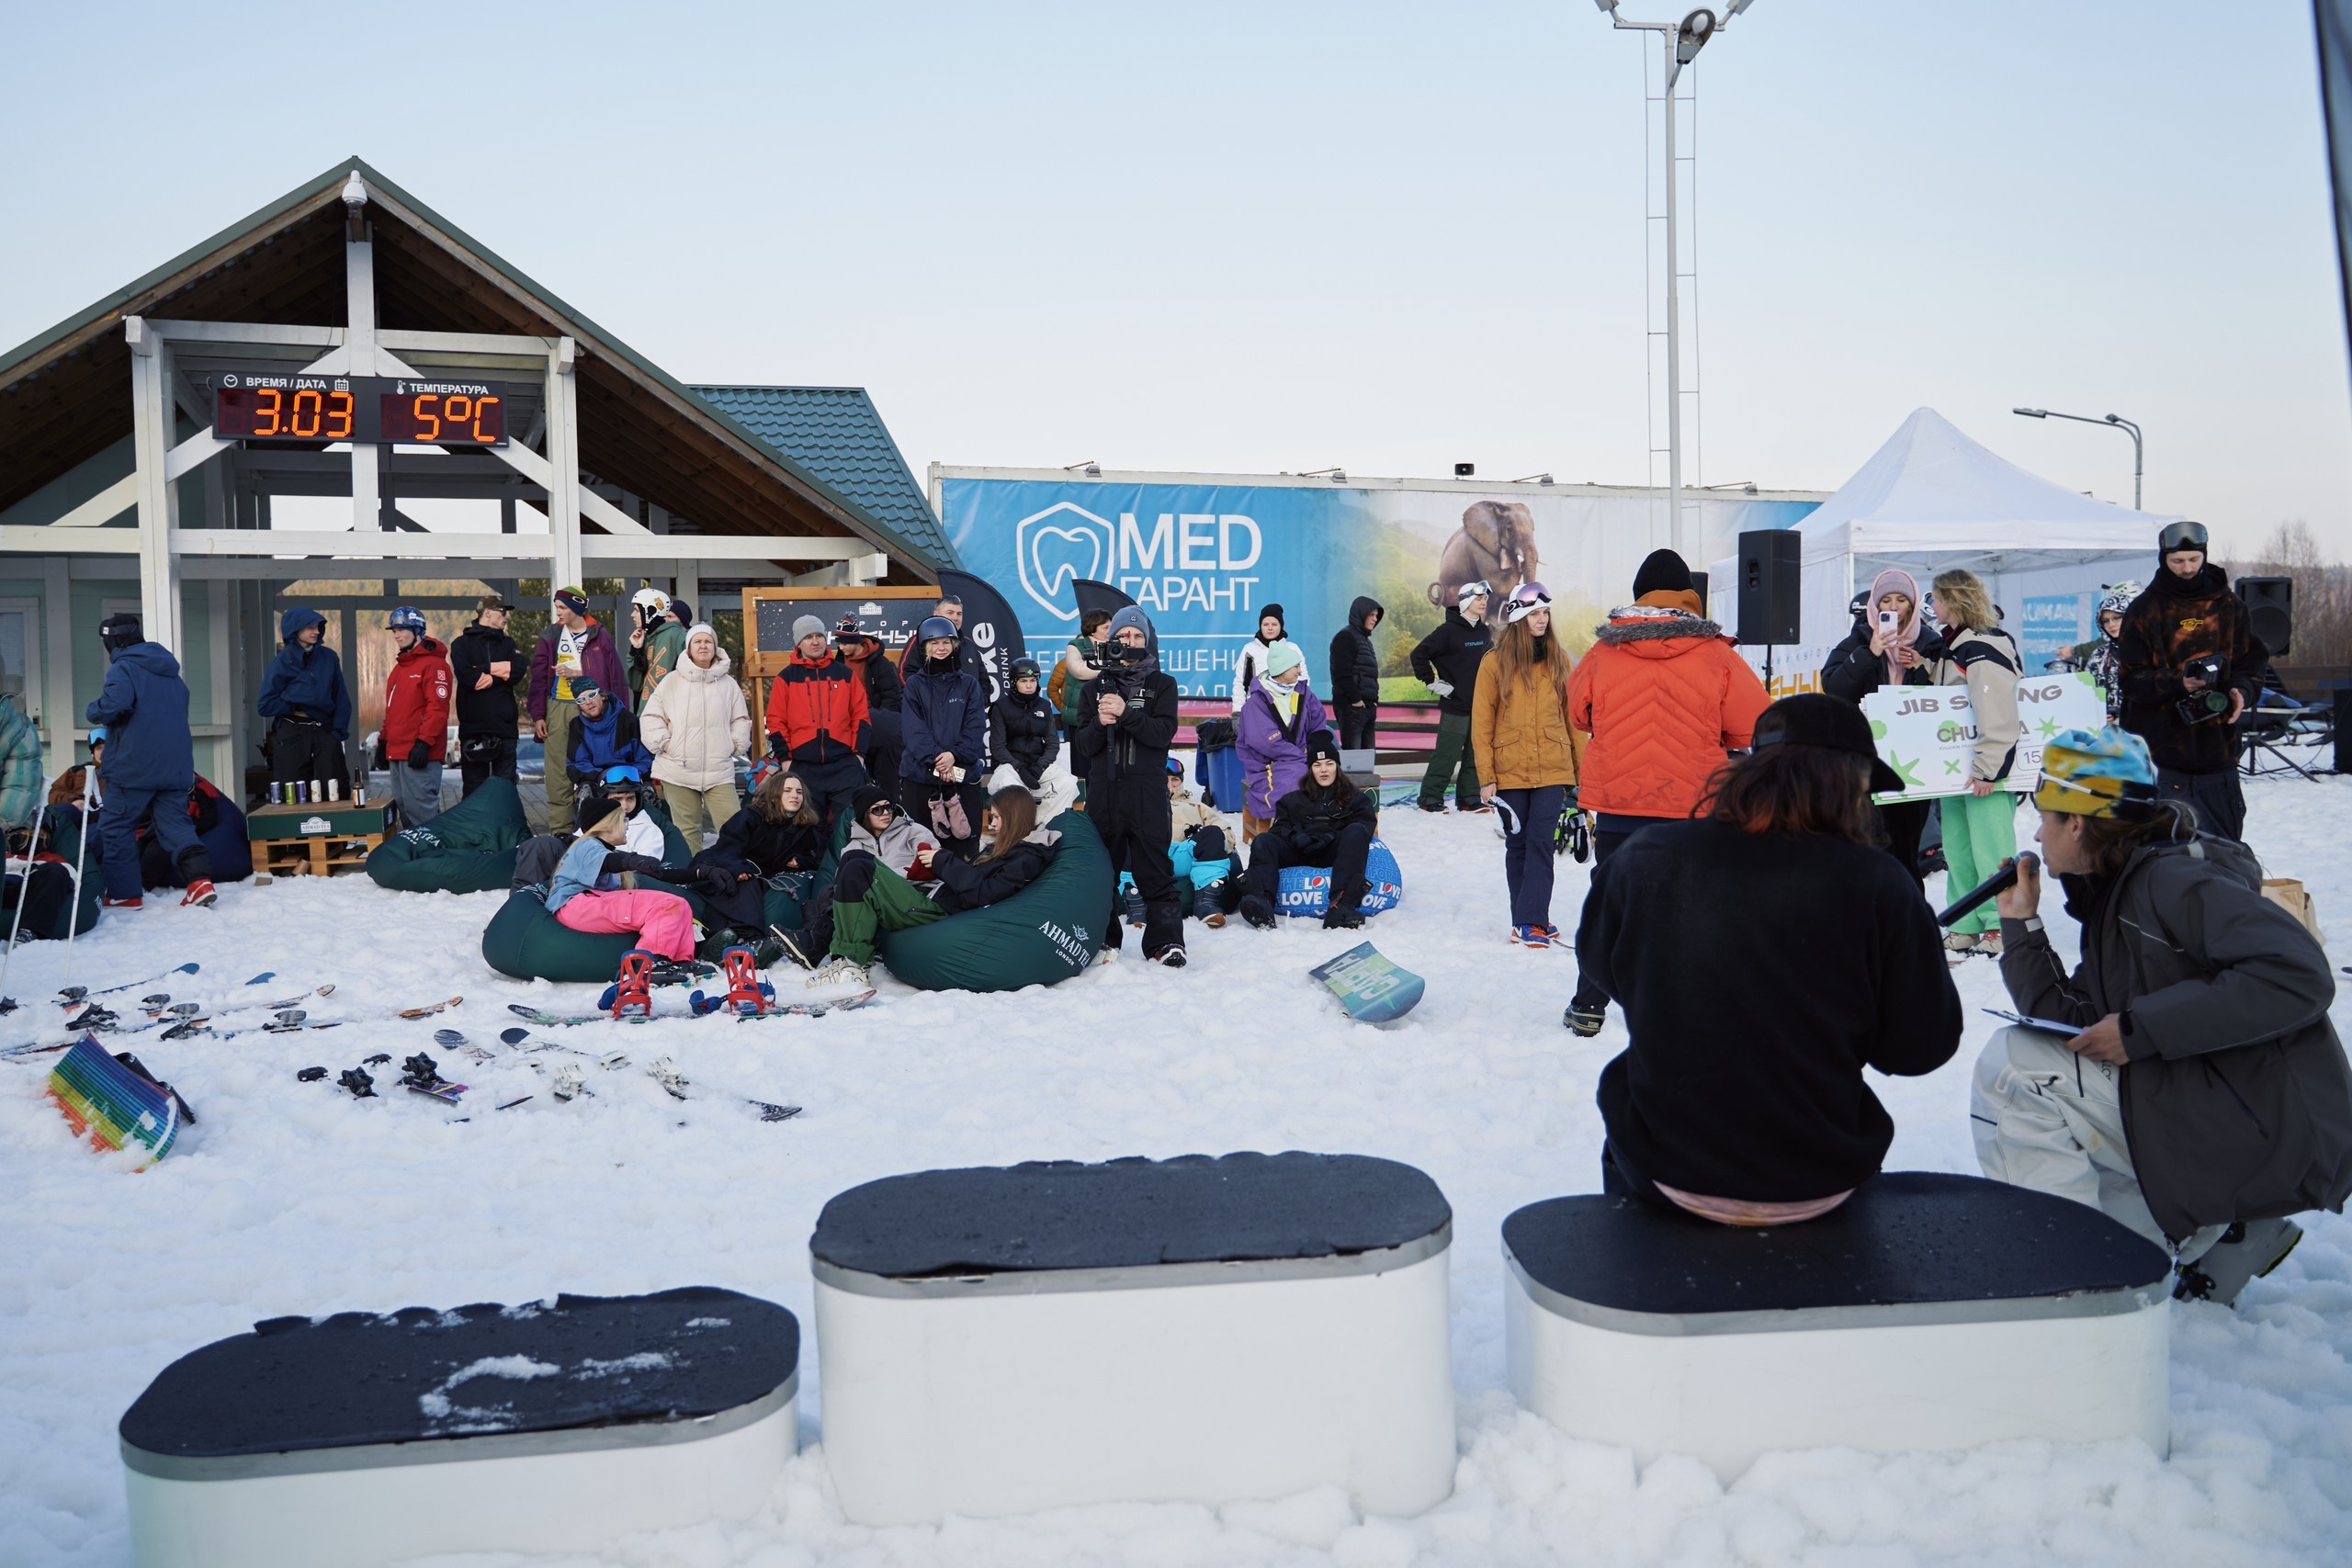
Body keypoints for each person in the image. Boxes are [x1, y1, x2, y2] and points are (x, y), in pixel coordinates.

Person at [1974, 726, 2352, 1305]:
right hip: (2225, 1106)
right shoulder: (2120, 891)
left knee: (2012, 1068)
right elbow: (2074, 1024)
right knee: (2052, 1080)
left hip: (2262, 1126)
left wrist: (2141, 1030)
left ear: (2078, 821)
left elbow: (2296, 971)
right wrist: (2023, 925)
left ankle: (2067, 1274)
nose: (2036, 830)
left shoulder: (2173, 878)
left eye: (2045, 813)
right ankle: (2203, 1232)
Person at [1577, 694, 1961, 1220]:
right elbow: (1919, 1048)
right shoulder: (1878, 881)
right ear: (1850, 783)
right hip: (1820, 1176)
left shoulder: (1647, 856)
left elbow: (1603, 969)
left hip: (1663, 1165)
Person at [798, 784, 1061, 991]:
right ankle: (843, 956)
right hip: (934, 897)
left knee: (858, 866)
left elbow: (983, 893)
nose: (992, 825)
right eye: (876, 810)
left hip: (936, 906)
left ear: (1013, 817)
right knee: (850, 864)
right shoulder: (1006, 849)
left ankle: (850, 965)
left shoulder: (1027, 856)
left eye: (995, 817)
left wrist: (941, 860)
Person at [2116, 521, 2261, 842]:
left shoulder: (2230, 606)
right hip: (2160, 759)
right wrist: (2177, 681)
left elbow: (2251, 662)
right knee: (2162, 854)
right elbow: (2131, 680)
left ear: (2204, 555)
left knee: (2224, 851)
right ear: (2163, 559)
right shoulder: (2144, 609)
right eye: (2177, 561)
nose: (2186, 568)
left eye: (2193, 560)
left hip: (2218, 754)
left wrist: (2242, 691)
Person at [1075, 606, 1187, 965]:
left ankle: (1165, 942)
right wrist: (1099, 723)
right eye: (1124, 636)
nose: (1131, 642)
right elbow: (1083, 747)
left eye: (1138, 637)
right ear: (1112, 640)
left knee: (1156, 872)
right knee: (1101, 872)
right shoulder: (1092, 688)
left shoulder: (1161, 685)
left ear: (1148, 642)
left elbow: (1162, 734)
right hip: (1104, 794)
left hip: (1147, 793)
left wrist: (1127, 714)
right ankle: (1105, 940)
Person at [1470, 582, 1579, 948]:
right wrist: (1486, 778)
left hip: (1552, 766)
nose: (1542, 620)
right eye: (1534, 614)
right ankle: (1527, 921)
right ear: (1518, 617)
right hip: (1510, 769)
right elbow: (1482, 723)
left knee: (1540, 842)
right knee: (1518, 844)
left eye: (1545, 613)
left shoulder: (1560, 660)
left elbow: (1573, 721)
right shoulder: (1493, 663)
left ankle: (1532, 919)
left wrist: (1581, 775)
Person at [1819, 567, 1944, 886]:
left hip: (1914, 760)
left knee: (1907, 846)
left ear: (1913, 605)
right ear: (1875, 606)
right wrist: (1871, 652)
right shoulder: (1858, 640)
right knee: (1871, 844)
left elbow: (1947, 697)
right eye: (1885, 600)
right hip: (1868, 759)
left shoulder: (1931, 644)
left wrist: (1921, 667)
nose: (1892, 607)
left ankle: (1909, 919)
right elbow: (1834, 687)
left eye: (1901, 600)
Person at [85, 614, 216, 909]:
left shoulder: (123, 668)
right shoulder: (170, 672)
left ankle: (124, 893)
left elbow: (116, 704)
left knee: (116, 825)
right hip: (175, 765)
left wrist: (93, 710)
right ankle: (199, 882)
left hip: (134, 766)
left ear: (113, 641)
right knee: (176, 825)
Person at [1929, 569, 2023, 955]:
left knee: (1990, 847)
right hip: (1956, 770)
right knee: (1958, 849)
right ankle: (1966, 921)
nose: (1931, 606)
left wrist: (1989, 767)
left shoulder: (1983, 645)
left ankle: (2001, 923)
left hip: (1985, 769)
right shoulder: (1953, 644)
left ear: (1952, 600)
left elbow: (1996, 709)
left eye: (1935, 598)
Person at [542, 793, 711, 965]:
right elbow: (608, 862)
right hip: (574, 905)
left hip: (584, 907)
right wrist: (631, 861)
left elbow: (661, 874)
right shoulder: (587, 845)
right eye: (623, 821)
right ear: (608, 825)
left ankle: (681, 961)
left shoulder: (606, 850)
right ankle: (649, 963)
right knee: (666, 905)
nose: (627, 827)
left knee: (680, 904)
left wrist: (700, 874)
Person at [1235, 733, 1379, 931]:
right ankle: (1262, 903)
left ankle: (1341, 905)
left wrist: (1331, 836)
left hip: (1334, 853)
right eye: (1317, 765)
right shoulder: (1292, 799)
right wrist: (1296, 836)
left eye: (1329, 764)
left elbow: (1365, 828)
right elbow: (1279, 829)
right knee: (1264, 840)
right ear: (1310, 769)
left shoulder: (1355, 798)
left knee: (1356, 831)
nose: (1324, 770)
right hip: (1299, 850)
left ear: (1337, 766)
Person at [639, 622, 750, 852]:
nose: (703, 646)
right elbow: (650, 717)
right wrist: (667, 744)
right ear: (689, 648)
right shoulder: (671, 681)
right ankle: (692, 880)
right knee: (687, 830)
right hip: (678, 768)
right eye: (697, 642)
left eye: (708, 641)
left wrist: (734, 743)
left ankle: (736, 875)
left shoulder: (728, 684)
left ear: (715, 647)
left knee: (734, 827)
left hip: (718, 770)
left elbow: (740, 719)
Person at [528, 587, 629, 833]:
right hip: (558, 708)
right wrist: (539, 714)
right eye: (557, 607)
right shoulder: (551, 635)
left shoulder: (599, 635)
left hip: (594, 709)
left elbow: (613, 677)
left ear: (576, 608)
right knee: (558, 773)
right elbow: (539, 678)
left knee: (600, 764)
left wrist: (579, 674)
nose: (558, 612)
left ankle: (604, 829)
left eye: (562, 607)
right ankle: (561, 832)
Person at [695, 767, 830, 941]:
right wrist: (739, 869)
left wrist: (800, 860)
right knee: (741, 884)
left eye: (799, 792)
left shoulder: (805, 826)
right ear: (774, 795)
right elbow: (728, 847)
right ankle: (745, 937)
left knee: (753, 885)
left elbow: (815, 856)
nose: (795, 796)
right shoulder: (751, 816)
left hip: (763, 876)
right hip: (724, 863)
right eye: (787, 791)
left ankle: (744, 937)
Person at [764, 613, 872, 829]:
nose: (815, 641)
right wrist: (787, 761)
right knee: (810, 830)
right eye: (808, 637)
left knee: (850, 827)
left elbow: (861, 716)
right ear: (799, 643)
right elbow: (776, 722)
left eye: (819, 636)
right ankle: (814, 865)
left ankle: (847, 863)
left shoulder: (844, 674)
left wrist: (858, 756)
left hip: (844, 765)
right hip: (803, 768)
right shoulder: (786, 677)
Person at [899, 615, 988, 856]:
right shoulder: (914, 686)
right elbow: (913, 732)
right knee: (919, 853)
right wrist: (939, 758)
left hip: (961, 777)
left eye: (946, 642)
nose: (941, 648)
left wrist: (954, 756)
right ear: (925, 647)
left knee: (963, 850)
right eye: (934, 643)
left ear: (955, 646)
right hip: (920, 779)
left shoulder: (969, 685)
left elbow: (975, 727)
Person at [1409, 580, 1494, 813]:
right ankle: (1429, 798)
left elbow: (1491, 663)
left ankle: (1468, 799)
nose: (1483, 601)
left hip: (1480, 706)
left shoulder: (1484, 630)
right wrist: (1432, 683)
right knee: (1447, 755)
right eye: (1478, 598)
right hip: (1455, 706)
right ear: (1466, 600)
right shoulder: (1448, 631)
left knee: (1475, 755)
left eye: (1485, 598)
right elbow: (1418, 655)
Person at [1236, 641, 1331, 842]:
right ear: (1281, 669)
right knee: (1296, 777)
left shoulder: (1304, 694)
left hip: (1300, 757)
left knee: (1329, 772)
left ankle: (1327, 830)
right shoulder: (1256, 703)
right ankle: (1289, 835)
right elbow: (1266, 742)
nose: (1299, 671)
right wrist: (1303, 757)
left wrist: (1316, 754)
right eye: (1295, 666)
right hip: (1268, 764)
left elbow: (1318, 725)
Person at [254, 606, 353, 792]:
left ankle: (336, 821)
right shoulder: (281, 662)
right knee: (292, 790)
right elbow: (264, 705)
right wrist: (293, 704)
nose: (316, 632)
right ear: (295, 629)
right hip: (292, 733)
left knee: (334, 788)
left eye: (318, 627)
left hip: (325, 730)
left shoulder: (328, 657)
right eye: (310, 627)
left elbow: (341, 697)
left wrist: (337, 733)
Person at [374, 607, 451, 830]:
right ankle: (417, 860)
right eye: (394, 631)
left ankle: (435, 860)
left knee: (422, 813)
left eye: (401, 630)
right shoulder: (399, 669)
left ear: (418, 631)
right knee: (405, 811)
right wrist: (383, 741)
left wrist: (424, 742)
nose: (396, 635)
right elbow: (392, 712)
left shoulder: (434, 665)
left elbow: (438, 709)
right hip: (398, 753)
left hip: (420, 753)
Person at [449, 594, 521, 797]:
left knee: (505, 790)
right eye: (503, 612)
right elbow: (466, 675)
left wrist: (488, 674)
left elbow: (518, 669)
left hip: (505, 729)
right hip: (474, 729)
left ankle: (504, 828)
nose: (507, 617)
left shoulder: (508, 644)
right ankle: (475, 830)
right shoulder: (461, 644)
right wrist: (499, 670)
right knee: (474, 791)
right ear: (487, 613)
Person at [835, 615, 905, 789]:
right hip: (846, 727)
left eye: (845, 642)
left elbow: (892, 697)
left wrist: (880, 719)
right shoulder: (837, 665)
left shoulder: (879, 663)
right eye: (839, 643)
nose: (841, 647)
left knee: (884, 778)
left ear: (856, 640)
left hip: (877, 725)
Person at [2064, 583, 2140, 722]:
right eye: (2105, 621)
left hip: (2146, 726)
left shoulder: (2150, 648)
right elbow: (2087, 691)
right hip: (2112, 730)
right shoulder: (2099, 654)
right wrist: (2100, 711)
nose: (2111, 624)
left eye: (2117, 618)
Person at [562, 679, 654, 788]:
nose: (588, 702)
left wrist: (621, 777)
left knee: (647, 792)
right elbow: (576, 764)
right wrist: (604, 777)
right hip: (596, 780)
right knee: (586, 791)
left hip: (630, 779)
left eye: (591, 695)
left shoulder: (628, 720)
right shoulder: (577, 726)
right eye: (581, 700)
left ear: (602, 696)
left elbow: (645, 760)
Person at [1326, 594, 1385, 753]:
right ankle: (1350, 780)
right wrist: (1356, 700)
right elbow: (1341, 674)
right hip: (1351, 707)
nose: (1375, 619)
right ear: (1360, 614)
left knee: (1367, 759)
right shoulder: (1345, 637)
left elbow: (1369, 675)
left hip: (1367, 707)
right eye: (1371, 615)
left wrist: (1373, 702)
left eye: (1376, 616)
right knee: (1354, 759)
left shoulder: (1365, 640)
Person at [989, 656, 1059, 790]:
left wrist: (1040, 767)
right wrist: (1019, 768)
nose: (1029, 685)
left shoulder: (1044, 706)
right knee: (1009, 785)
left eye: (1033, 680)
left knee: (1067, 783)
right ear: (1014, 682)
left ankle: (1044, 812)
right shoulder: (1001, 707)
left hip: (1038, 765)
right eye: (1023, 681)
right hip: (1009, 766)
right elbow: (998, 747)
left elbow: (1053, 744)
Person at [625, 587, 687, 707]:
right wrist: (636, 649)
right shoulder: (644, 639)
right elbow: (636, 685)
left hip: (670, 715)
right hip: (646, 715)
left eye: (637, 610)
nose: (632, 615)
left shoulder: (677, 636)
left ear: (650, 612)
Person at [1058, 607, 1114, 740]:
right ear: (1092, 629)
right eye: (1105, 627)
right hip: (1078, 713)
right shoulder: (1075, 646)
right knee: (1081, 758)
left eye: (1111, 627)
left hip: (1106, 712)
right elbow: (1079, 671)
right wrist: (1107, 659)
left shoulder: (1116, 646)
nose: (1110, 631)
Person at [1229, 604, 1291, 714]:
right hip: (1255, 711)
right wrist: (1237, 711)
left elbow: (1303, 682)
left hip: (1286, 711)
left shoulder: (1292, 649)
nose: (1270, 628)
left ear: (1281, 626)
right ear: (1260, 626)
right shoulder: (1250, 650)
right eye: (1265, 624)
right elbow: (1240, 683)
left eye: (1274, 624)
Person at [896, 593, 968, 677]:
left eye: (959, 614)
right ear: (936, 615)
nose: (955, 617)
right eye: (950, 613)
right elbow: (905, 674)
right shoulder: (919, 640)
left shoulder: (969, 644)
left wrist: (976, 690)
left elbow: (983, 679)